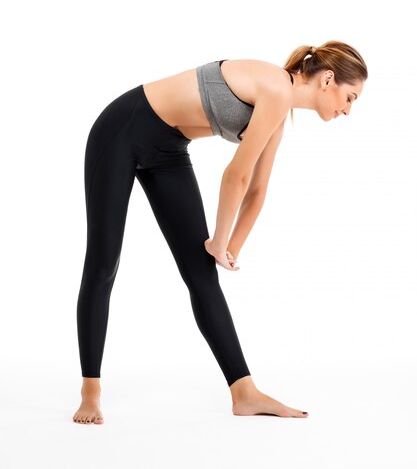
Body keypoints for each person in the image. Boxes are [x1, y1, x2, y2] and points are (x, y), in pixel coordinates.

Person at [73, 40, 367, 424]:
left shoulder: (280, 113)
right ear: (328, 79)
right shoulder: (277, 88)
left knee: (202, 273)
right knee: (104, 260)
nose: (347, 110)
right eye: (351, 97)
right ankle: (90, 390)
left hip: (168, 149)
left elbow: (257, 189)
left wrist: (229, 248)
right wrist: (219, 240)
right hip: (122, 130)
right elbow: (235, 176)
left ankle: (243, 391)